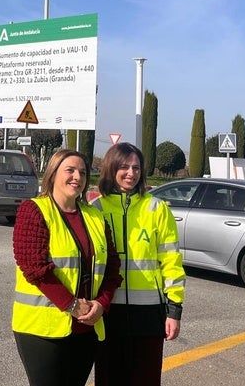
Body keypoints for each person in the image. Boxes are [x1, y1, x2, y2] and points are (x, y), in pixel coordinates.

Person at [12, 149, 123, 386]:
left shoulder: (94, 216)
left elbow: (112, 268)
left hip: (87, 327)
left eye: (82, 172)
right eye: (69, 170)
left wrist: (102, 304)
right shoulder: (33, 211)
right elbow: (35, 268)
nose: (77, 177)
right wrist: (72, 306)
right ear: (52, 174)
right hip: (42, 330)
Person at [91, 143, 186, 386]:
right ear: (111, 169)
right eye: (124, 167)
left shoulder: (156, 208)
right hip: (108, 311)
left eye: (136, 167)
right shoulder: (96, 209)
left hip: (149, 314)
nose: (131, 173)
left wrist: (174, 310)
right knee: (109, 379)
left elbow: (171, 261)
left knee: (146, 380)